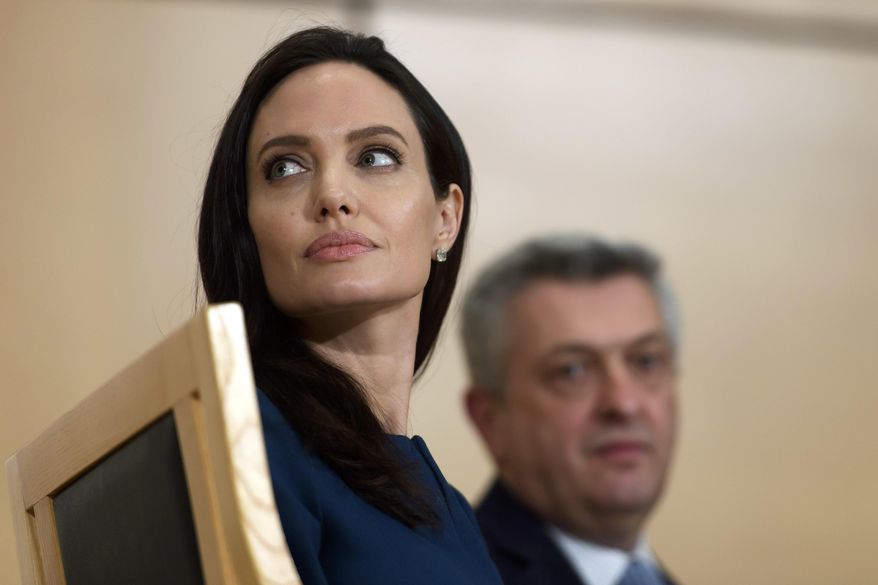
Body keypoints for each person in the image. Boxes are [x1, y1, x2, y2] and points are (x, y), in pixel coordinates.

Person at [198, 26, 503, 585]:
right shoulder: (246, 438)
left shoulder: (453, 508)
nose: (333, 195)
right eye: (285, 167)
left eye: (376, 156)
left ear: (445, 219)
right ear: (247, 231)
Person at [462, 234, 681, 585]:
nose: (623, 403)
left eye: (645, 361)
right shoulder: (461, 575)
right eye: (571, 370)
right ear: (490, 419)